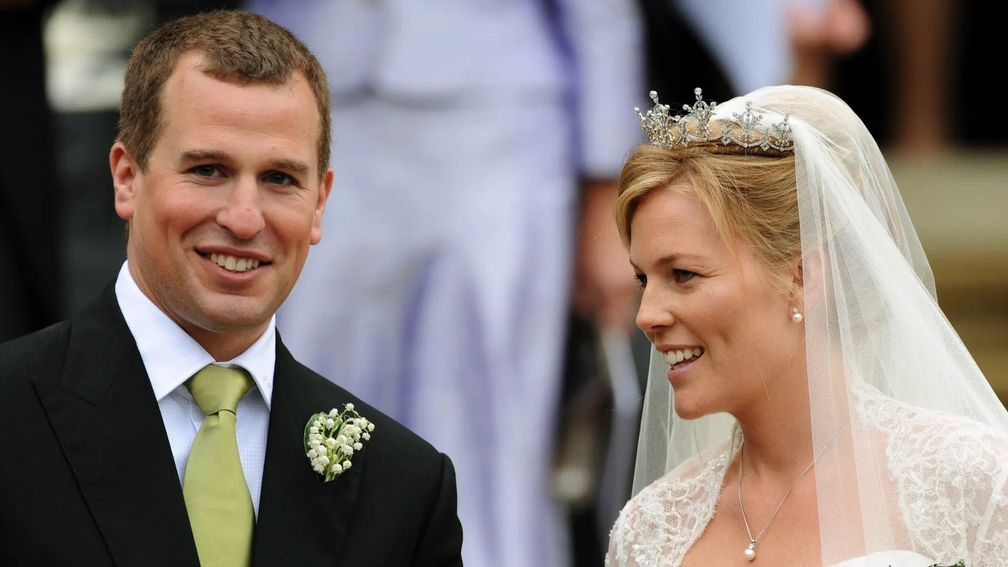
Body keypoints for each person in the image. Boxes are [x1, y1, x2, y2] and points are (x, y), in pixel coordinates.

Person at [0, 10, 462, 566]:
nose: (244, 219)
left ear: (319, 202)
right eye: (208, 170)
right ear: (127, 178)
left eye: (279, 179)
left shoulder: (405, 485)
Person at [241, 2, 644, 566]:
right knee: (311, 397)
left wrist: (607, 182)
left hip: (496, 112)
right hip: (311, 87)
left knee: (487, 417)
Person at [605, 85, 1008, 565]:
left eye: (683, 274)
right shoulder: (650, 533)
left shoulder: (972, 484)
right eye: (643, 280)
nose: (647, 315)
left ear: (801, 277)